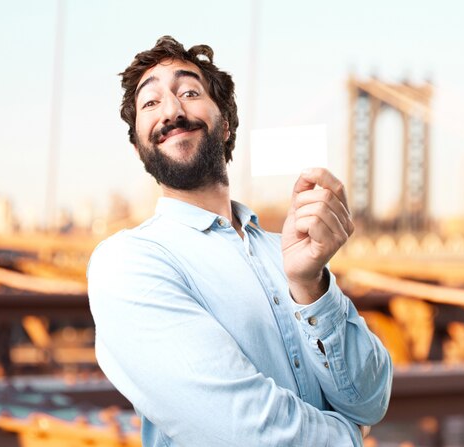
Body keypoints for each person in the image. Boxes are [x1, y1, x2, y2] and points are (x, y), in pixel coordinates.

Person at [87, 36, 392, 447]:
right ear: (141, 145)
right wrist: (349, 437)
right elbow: (241, 430)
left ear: (226, 123)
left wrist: (310, 287)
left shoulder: (287, 251)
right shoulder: (126, 263)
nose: (173, 111)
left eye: (190, 92)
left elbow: (371, 400)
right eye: (151, 103)